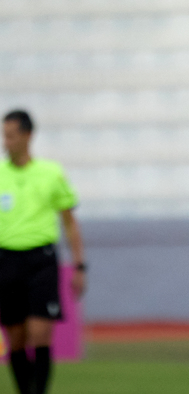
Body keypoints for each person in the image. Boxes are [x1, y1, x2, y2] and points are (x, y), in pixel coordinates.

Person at [0, 110, 86, 394]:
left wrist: (80, 265)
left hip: (41, 261)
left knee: (40, 333)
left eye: (11, 136)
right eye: (4, 136)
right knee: (16, 337)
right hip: (6, 260)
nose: (6, 142)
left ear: (27, 136)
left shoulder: (50, 173)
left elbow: (70, 224)